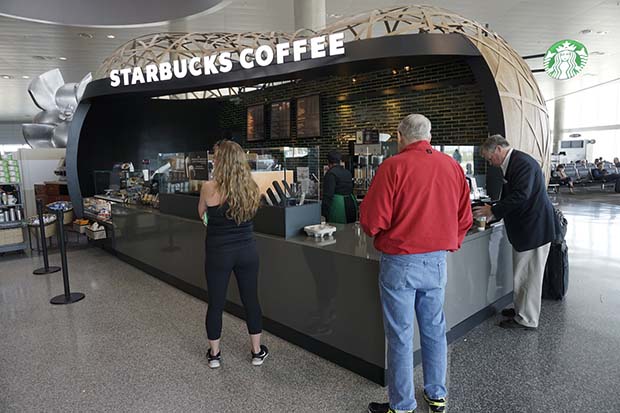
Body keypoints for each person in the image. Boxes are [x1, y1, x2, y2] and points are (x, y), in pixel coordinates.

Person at [361, 114, 472, 413]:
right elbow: (465, 217)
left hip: (400, 261)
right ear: (429, 136)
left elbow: (372, 221)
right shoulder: (452, 166)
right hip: (437, 262)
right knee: (435, 329)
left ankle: (403, 405)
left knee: (400, 334)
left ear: (400, 136)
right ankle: (437, 395)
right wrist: (449, 241)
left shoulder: (393, 166)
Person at [198, 140, 268, 369]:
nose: (213, 160)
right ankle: (257, 352)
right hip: (247, 251)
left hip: (219, 253)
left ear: (222, 161)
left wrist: (213, 221)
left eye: (216, 156)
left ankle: (215, 355)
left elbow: (202, 214)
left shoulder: (208, 187)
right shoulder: (251, 187)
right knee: (251, 300)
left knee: (216, 303)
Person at [473, 135, 555, 330]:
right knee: (522, 273)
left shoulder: (522, 163)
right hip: (528, 228)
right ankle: (521, 309)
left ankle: (527, 319)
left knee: (529, 275)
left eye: (489, 157)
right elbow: (514, 194)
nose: (490, 162)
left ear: (499, 149)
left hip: (534, 229)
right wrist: (495, 208)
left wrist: (493, 211)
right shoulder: (515, 162)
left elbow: (521, 195)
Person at [321, 150, 357, 223]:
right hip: (351, 202)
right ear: (340, 161)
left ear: (328, 162)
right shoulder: (347, 172)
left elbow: (328, 195)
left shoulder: (330, 174)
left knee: (338, 230)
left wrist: (323, 213)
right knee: (350, 230)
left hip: (338, 206)